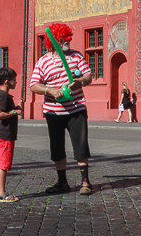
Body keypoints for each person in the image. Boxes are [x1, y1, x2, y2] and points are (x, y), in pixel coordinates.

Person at [29, 22, 95, 196]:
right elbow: (34, 85)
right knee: (57, 148)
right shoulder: (43, 61)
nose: (67, 40)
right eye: (62, 38)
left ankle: (85, 182)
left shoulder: (76, 57)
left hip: (76, 109)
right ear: (53, 41)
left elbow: (89, 76)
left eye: (67, 37)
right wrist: (50, 90)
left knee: (81, 146)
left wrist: (79, 81)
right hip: (53, 111)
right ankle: (62, 182)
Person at [0, 67, 22, 203]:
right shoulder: (3, 95)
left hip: (1, 134)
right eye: (14, 80)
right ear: (7, 81)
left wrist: (14, 109)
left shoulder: (3, 94)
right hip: (5, 134)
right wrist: (15, 112)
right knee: (3, 164)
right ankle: (1, 194)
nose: (16, 82)